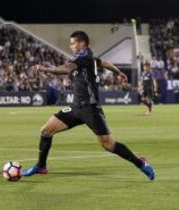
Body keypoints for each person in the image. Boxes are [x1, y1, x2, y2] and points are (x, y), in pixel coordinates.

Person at [23, 31, 155, 180]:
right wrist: (118, 72)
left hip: (90, 109)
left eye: (73, 43)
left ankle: (141, 164)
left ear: (82, 43)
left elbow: (66, 70)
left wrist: (44, 68)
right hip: (76, 108)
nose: (71, 46)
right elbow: (103, 62)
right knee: (46, 131)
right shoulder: (89, 57)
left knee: (108, 145)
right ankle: (41, 166)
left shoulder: (82, 57)